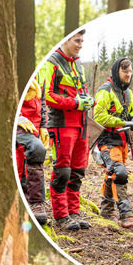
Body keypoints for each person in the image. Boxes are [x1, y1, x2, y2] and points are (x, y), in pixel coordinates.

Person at [40, 29, 93, 231]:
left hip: (82, 124)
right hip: (62, 124)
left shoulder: (78, 63)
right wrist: (75, 103)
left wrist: (89, 99)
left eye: (82, 40)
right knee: (63, 171)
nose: (80, 44)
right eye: (77, 40)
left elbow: (83, 88)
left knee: (78, 171)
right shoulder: (52, 62)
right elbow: (48, 96)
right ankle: (61, 215)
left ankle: (74, 212)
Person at [92, 57, 133, 228]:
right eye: (125, 71)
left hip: (123, 141)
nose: (128, 75)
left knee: (111, 173)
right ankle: (126, 214)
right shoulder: (104, 91)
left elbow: (130, 112)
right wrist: (123, 123)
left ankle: (106, 211)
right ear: (117, 72)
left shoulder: (128, 93)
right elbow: (99, 117)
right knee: (119, 172)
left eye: (130, 72)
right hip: (106, 140)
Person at [16, 75, 50, 226]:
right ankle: (34, 202)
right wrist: (17, 116)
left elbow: (41, 101)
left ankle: (33, 203)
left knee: (29, 159)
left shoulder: (39, 72)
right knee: (36, 150)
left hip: (33, 127)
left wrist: (43, 125)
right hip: (17, 125)